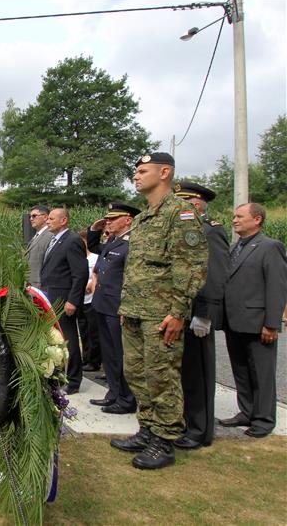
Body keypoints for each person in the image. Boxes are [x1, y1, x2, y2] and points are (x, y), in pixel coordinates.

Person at [111, 152, 207, 470]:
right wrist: (126, 306)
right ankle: (148, 430)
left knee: (162, 377)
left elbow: (191, 266)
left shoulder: (180, 213)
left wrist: (178, 312)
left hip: (161, 314)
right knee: (136, 374)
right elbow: (136, 269)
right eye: (135, 171)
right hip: (136, 311)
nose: (136, 176)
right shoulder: (141, 218)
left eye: (142, 171)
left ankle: (164, 441)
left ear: (164, 172)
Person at [219, 203, 287, 438]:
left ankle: (264, 419)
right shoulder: (235, 247)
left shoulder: (270, 247)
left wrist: (272, 323)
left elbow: (277, 287)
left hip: (258, 323)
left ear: (257, 219)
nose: (234, 220)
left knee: (262, 373)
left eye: (240, 216)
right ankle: (246, 411)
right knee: (241, 370)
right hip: (234, 321)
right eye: (234, 216)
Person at [171, 182, 230, 449]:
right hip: (180, 310)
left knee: (198, 373)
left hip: (197, 311)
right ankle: (186, 422)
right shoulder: (185, 230)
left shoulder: (210, 231)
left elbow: (214, 275)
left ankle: (200, 430)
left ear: (195, 204)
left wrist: (205, 313)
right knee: (183, 372)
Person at [86, 202, 140, 415]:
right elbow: (95, 247)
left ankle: (127, 398)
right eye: (107, 218)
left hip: (118, 307)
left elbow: (132, 279)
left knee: (120, 354)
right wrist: (94, 229)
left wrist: (128, 308)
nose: (108, 221)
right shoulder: (113, 241)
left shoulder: (132, 243)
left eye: (113, 218)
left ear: (128, 220)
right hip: (103, 303)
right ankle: (114, 394)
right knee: (109, 354)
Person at [39, 208, 88, 394]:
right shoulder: (55, 240)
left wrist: (73, 301)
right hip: (51, 297)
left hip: (64, 299)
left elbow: (80, 274)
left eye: (51, 218)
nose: (48, 221)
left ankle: (74, 380)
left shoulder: (72, 240)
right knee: (56, 340)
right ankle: (59, 376)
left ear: (64, 220)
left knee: (69, 340)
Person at [77, 230, 101, 372]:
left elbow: (97, 275)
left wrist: (90, 284)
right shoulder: (79, 258)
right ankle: (85, 358)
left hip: (92, 299)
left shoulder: (95, 258)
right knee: (84, 331)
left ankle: (94, 360)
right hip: (81, 299)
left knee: (93, 332)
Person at [24, 205, 53, 288]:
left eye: (34, 216)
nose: (31, 219)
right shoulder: (37, 235)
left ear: (45, 217)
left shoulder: (50, 235)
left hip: (40, 287)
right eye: (30, 216)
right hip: (31, 286)